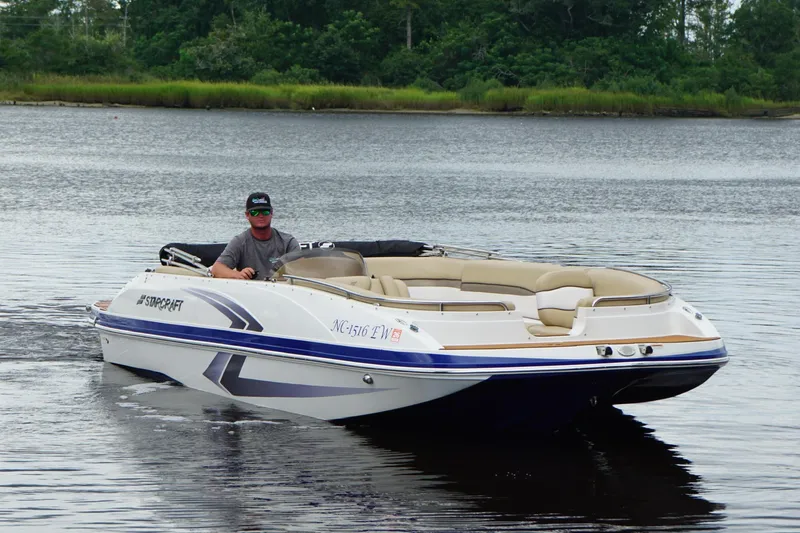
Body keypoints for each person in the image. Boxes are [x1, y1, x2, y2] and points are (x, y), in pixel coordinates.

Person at [211, 192, 300, 280]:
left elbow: (301, 270)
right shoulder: (240, 242)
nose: (260, 216)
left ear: (271, 213)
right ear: (247, 215)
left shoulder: (288, 242)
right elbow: (217, 268)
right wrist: (238, 275)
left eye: (265, 212)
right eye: (255, 212)